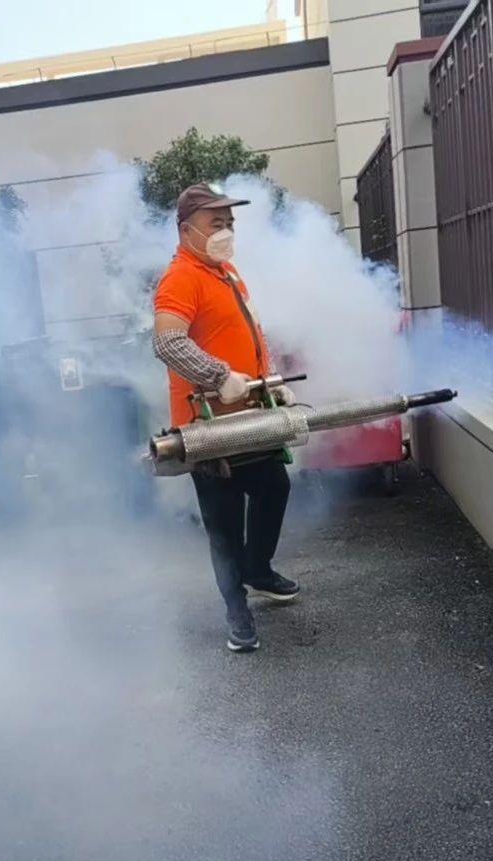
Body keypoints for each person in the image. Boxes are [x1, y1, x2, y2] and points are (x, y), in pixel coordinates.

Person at [151, 182, 300, 653]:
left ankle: (257, 570)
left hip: (251, 416)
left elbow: (252, 335)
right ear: (186, 231)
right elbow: (168, 343)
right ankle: (237, 612)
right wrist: (218, 376)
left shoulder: (227, 272)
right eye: (216, 223)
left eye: (230, 223)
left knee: (274, 487)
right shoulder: (181, 278)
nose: (226, 231)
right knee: (224, 523)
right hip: (208, 428)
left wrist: (271, 381)